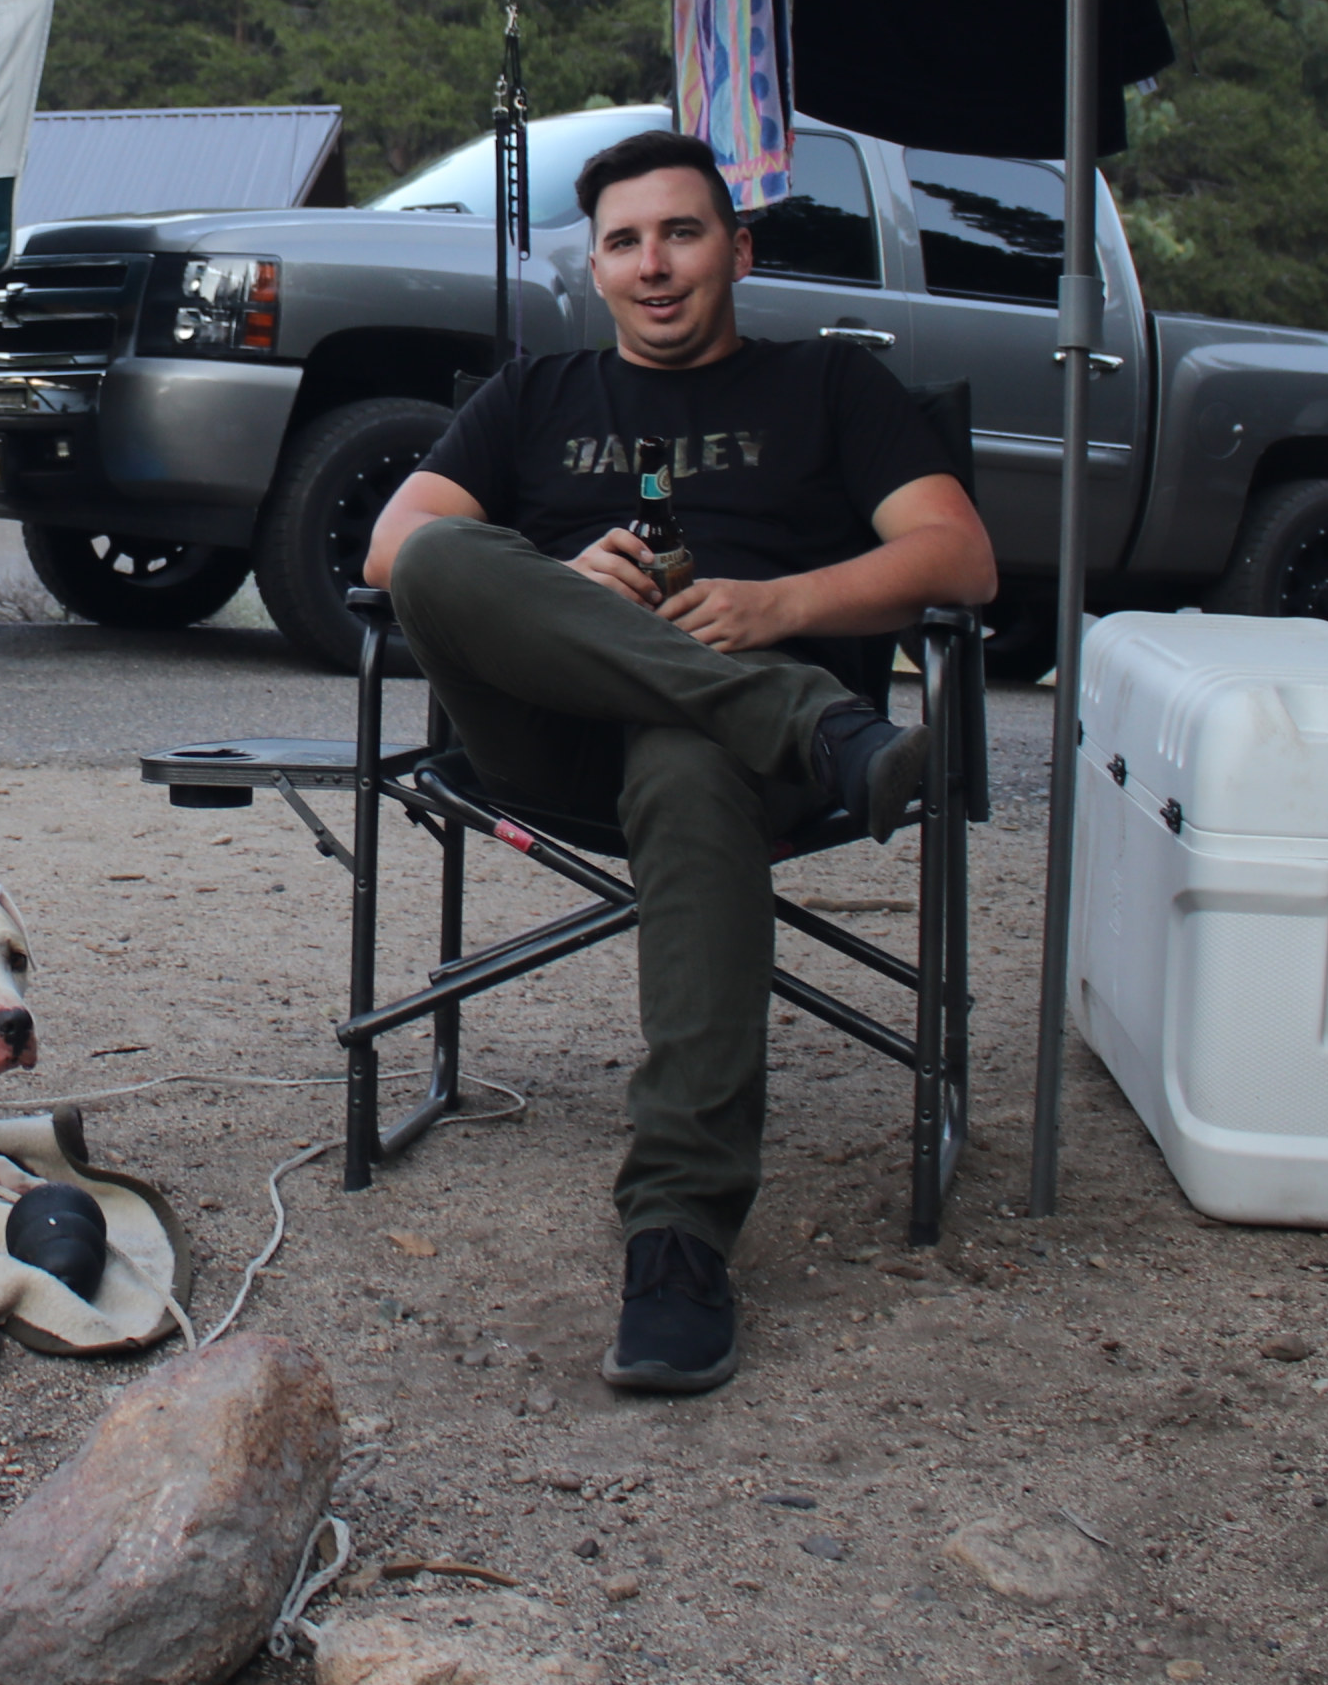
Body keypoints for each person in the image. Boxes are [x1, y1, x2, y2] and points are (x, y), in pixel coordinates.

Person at [362, 126, 994, 1397]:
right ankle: (806, 720)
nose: (652, 265)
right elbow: (394, 551)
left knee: (689, 765)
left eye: (681, 234)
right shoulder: (534, 395)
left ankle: (678, 1238)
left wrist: (780, 605)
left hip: (726, 771)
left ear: (736, 252)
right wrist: (562, 582)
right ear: (594, 267)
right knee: (440, 556)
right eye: (624, 242)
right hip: (557, 743)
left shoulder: (829, 386)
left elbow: (959, 558)